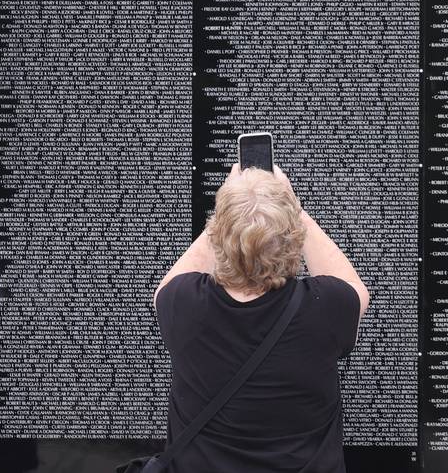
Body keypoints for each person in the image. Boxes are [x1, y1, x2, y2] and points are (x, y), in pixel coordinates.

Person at [152, 163, 370, 472]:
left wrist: (228, 211)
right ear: (293, 235)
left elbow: (164, 287)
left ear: (218, 236)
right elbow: (355, 288)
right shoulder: (324, 307)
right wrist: (292, 208)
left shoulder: (184, 303)